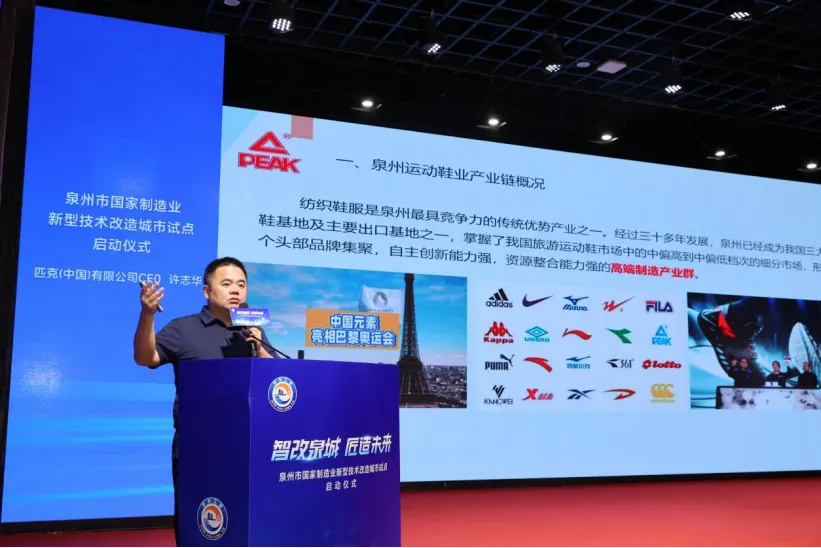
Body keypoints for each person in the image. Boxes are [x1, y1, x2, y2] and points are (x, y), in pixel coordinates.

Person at [132, 257, 275, 547]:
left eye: (241, 284)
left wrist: (260, 347)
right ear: (207, 292)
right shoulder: (184, 328)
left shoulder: (252, 330)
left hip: (247, 444)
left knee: (245, 519)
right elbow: (146, 357)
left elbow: (276, 380)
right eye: (227, 284)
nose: (235, 290)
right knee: (200, 519)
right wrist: (147, 314)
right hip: (198, 444)